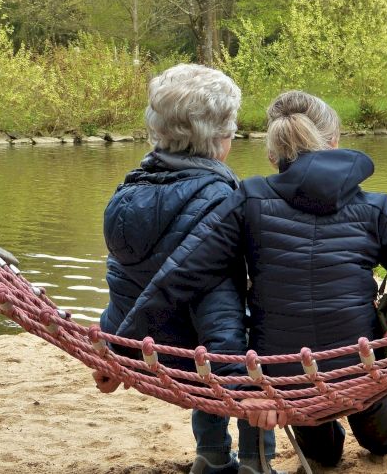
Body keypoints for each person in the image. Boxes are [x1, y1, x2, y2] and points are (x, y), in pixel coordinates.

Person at [117, 90, 387, 467]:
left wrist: (120, 348)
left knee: (323, 452)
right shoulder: (374, 207)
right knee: (374, 420)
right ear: (334, 142)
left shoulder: (247, 199)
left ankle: (335, 431)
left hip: (285, 380)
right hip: (361, 366)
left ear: (273, 154)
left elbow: (182, 275)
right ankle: (378, 430)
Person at [94, 63, 275, 474]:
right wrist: (239, 383)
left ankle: (210, 454)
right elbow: (222, 305)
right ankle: (255, 461)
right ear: (221, 139)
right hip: (207, 357)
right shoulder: (222, 199)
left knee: (206, 342)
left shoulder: (126, 191)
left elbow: (124, 281)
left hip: (151, 349)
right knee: (255, 333)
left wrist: (112, 348)